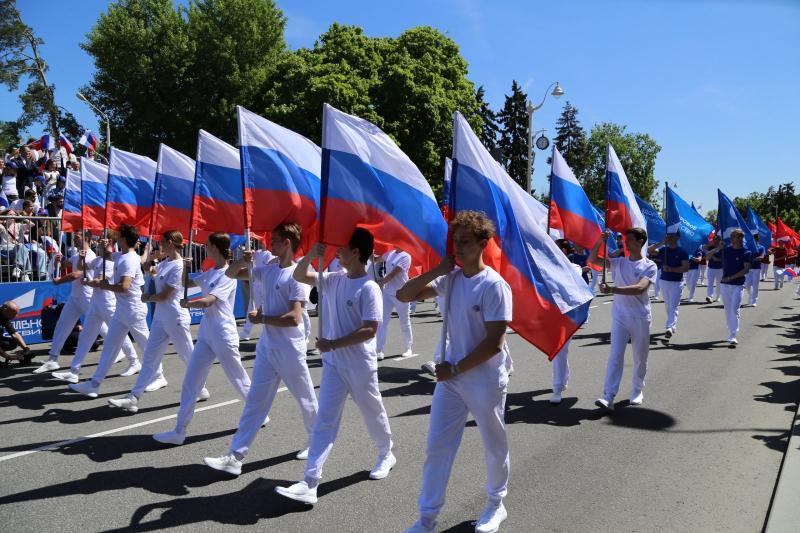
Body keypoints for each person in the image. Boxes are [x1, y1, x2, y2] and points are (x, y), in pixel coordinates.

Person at [398, 211, 511, 533]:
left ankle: (495, 503)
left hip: (484, 378)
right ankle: (427, 518)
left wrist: (457, 368)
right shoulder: (450, 279)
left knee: (493, 443)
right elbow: (403, 295)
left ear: (482, 243)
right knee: (438, 447)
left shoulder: (494, 286)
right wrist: (437, 269)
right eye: (455, 241)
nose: (458, 248)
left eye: (464, 242)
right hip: (450, 380)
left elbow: (495, 343)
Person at [274, 228, 394, 505]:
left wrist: (334, 343)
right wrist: (311, 255)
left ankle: (386, 452)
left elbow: (370, 330)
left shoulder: (369, 287)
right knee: (325, 421)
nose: (336, 251)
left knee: (372, 412)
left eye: (341, 248)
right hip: (333, 365)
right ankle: (310, 482)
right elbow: (299, 275)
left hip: (359, 364)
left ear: (356, 252)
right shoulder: (333, 279)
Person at [203, 223, 318, 475]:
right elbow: (231, 274)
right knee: (255, 402)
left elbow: (294, 317)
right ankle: (235, 457)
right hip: (268, 345)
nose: (269, 244)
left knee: (306, 399)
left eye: (275, 240)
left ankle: (317, 441)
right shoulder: (268, 269)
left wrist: (262, 319)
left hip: (289, 347)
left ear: (287, 243)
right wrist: (240, 260)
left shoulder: (298, 275)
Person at [152, 232, 252, 445]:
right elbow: (186, 281)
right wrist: (186, 268)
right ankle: (179, 431)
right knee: (191, 380)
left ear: (215, 248)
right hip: (207, 333)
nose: (204, 247)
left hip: (224, 334)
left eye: (207, 245)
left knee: (239, 378)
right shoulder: (209, 272)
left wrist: (190, 304)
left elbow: (208, 301)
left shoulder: (228, 274)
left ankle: (259, 413)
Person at [107, 230, 205, 413]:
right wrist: (150, 259)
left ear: (169, 242)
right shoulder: (166, 262)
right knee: (150, 357)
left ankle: (201, 387)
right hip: (161, 318)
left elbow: (165, 295)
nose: (159, 244)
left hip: (176, 317)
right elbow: (150, 270)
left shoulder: (178, 265)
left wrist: (147, 298)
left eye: (161, 241)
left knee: (189, 356)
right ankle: (133, 397)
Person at [69, 224, 149, 397]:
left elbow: (124, 287)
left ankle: (157, 375)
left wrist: (105, 285)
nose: (115, 238)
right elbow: (109, 257)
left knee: (148, 345)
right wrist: (103, 247)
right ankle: (94, 384)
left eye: (117, 236)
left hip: (133, 308)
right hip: (122, 309)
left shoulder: (129, 259)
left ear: (123, 238)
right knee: (110, 347)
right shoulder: (122, 255)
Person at [51, 238, 138, 383]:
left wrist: (88, 282)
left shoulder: (110, 262)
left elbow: (99, 281)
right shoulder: (97, 260)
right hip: (95, 302)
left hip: (108, 303)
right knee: (85, 337)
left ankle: (134, 361)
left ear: (111, 243)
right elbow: (81, 267)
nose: (100, 243)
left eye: (104, 242)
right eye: (99, 241)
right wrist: (81, 258)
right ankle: (74, 371)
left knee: (118, 333)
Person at [589, 227, 656, 411]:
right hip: (620, 316)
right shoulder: (619, 262)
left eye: (629, 240)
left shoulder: (650, 265)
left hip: (640, 317)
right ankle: (608, 396)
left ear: (641, 241)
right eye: (625, 240)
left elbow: (640, 288)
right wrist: (600, 242)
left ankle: (637, 390)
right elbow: (592, 260)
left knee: (640, 357)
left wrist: (612, 290)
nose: (625, 243)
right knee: (615, 357)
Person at [31, 231, 104, 374]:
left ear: (86, 239)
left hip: (86, 296)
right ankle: (52, 360)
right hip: (75, 297)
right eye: (74, 237)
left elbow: (76, 274)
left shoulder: (89, 255)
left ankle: (120, 349)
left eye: (77, 237)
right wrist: (58, 260)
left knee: (101, 326)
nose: (74, 240)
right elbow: (66, 265)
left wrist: (60, 281)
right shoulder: (77, 255)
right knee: (62, 325)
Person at [550, 240, 585, 404]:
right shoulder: (546, 268)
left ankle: (557, 388)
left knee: (559, 350)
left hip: (568, 316)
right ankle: (562, 378)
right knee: (560, 351)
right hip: (551, 314)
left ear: (564, 251)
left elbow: (568, 281)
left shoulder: (575, 268)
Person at [647, 231, 689, 338]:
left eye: (672, 236)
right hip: (664, 281)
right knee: (668, 305)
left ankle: (669, 327)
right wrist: (662, 242)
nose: (670, 238)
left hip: (677, 282)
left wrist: (671, 269)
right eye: (669, 236)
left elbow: (686, 268)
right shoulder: (663, 250)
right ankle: (672, 324)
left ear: (678, 237)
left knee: (673, 305)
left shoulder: (682, 252)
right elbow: (649, 250)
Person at [375, 247, 414, 360]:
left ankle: (408, 347)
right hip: (388, 293)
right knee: (382, 321)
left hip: (402, 293)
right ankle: (379, 350)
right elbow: (377, 259)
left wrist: (381, 282)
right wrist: (371, 254)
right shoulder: (390, 253)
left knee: (404, 321)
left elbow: (393, 274)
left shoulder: (406, 256)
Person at [720, 229, 752, 346]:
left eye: (736, 236)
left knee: (734, 309)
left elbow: (746, 269)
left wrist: (731, 277)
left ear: (741, 238)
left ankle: (733, 335)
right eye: (732, 236)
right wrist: (718, 248)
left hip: (738, 284)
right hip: (725, 285)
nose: (733, 238)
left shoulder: (746, 252)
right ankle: (730, 329)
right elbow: (707, 257)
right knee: (728, 310)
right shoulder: (726, 250)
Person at [743, 233, 765, 307]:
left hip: (756, 268)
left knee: (755, 285)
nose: (754, 240)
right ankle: (751, 295)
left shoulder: (761, 247)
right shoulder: (748, 247)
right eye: (753, 238)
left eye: (756, 238)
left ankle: (754, 301)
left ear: (757, 239)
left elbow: (762, 257)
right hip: (748, 268)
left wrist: (753, 259)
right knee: (747, 285)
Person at [704, 235, 724, 302]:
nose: (714, 241)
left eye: (716, 239)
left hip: (720, 269)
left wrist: (717, 259)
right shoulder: (711, 247)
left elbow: (724, 259)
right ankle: (709, 296)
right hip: (711, 268)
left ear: (719, 240)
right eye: (714, 239)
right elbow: (707, 257)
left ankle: (718, 296)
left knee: (718, 284)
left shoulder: (723, 248)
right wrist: (712, 254)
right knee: (710, 283)